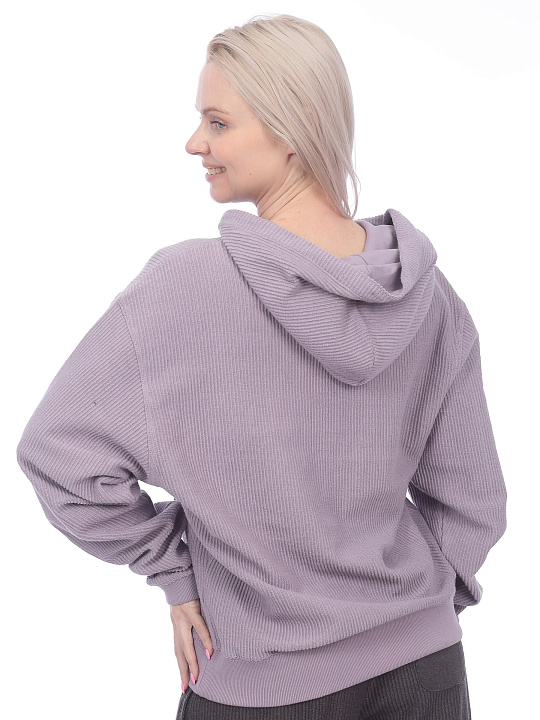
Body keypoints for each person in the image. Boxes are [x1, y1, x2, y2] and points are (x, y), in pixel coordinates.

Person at [16, 13, 507, 720]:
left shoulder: (183, 287)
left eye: (217, 123)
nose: (195, 143)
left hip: (263, 686)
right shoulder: (428, 297)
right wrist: (411, 614)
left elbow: (58, 455)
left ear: (292, 127)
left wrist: (175, 572)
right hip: (423, 672)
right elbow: (474, 502)